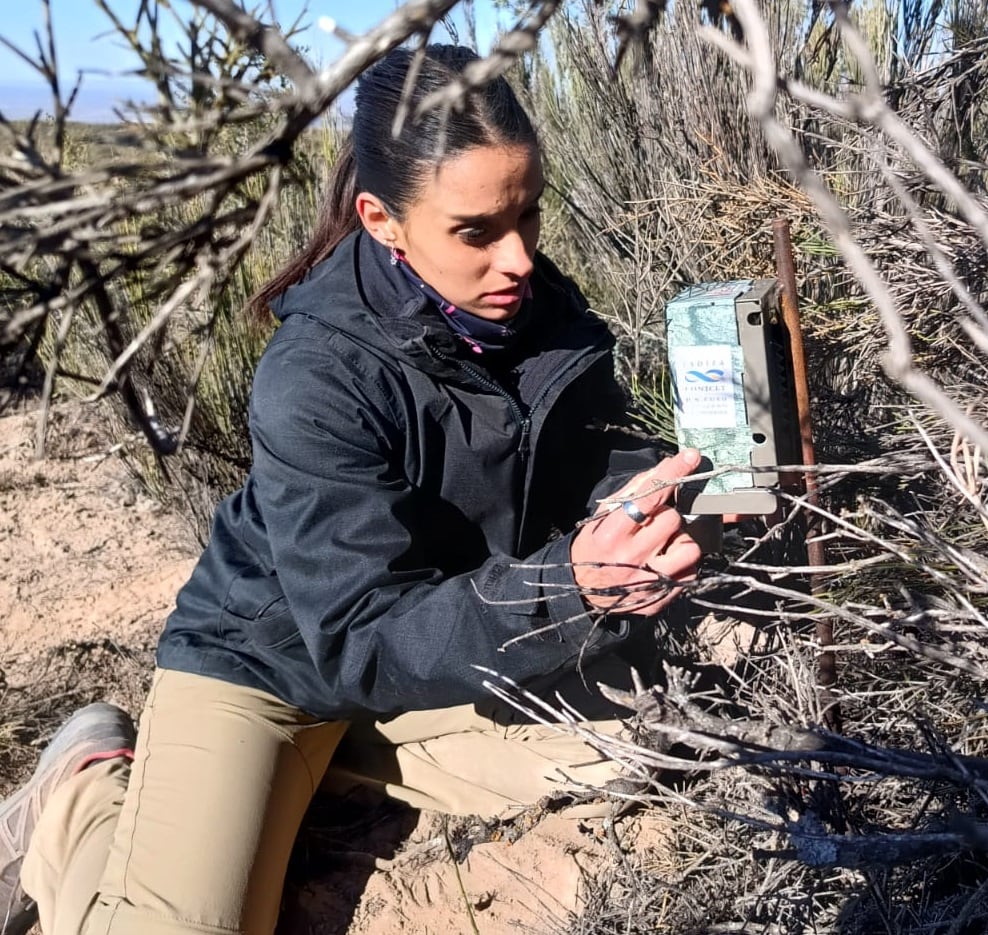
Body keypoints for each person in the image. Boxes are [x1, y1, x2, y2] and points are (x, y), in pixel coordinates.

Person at [0, 44, 704, 935]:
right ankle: (86, 791)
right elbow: (356, 637)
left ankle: (305, 781)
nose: (520, 258)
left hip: (443, 650)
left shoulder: (546, 315)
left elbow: (596, 461)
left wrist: (650, 506)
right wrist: (570, 588)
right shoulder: (316, 371)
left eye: (528, 214)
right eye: (478, 230)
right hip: (279, 667)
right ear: (381, 219)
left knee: (640, 753)